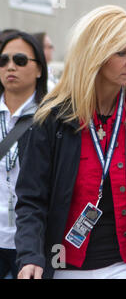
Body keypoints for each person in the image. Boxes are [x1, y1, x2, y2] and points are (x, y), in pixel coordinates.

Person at [14, 5, 126, 279]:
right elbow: (31, 200)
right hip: (63, 267)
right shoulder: (52, 119)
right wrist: (30, 256)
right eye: (121, 53)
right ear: (95, 55)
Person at [0, 31, 48, 279]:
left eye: (20, 60)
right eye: (3, 60)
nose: (10, 66)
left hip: (32, 243)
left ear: (39, 69)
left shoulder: (52, 118)